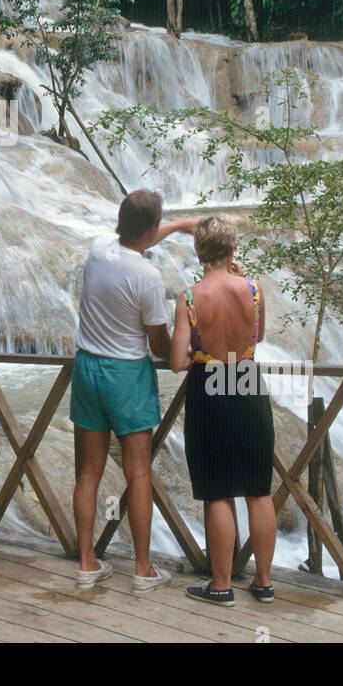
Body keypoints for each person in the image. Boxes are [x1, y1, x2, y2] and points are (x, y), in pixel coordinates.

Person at [70, 189, 198, 593]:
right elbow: (159, 346)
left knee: (88, 471)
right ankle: (142, 569)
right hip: (127, 375)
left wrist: (177, 225)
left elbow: (136, 239)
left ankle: (88, 563)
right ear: (150, 230)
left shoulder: (98, 248)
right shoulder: (148, 277)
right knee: (138, 472)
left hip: (87, 368)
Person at [170, 215, 276, 606]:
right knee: (258, 490)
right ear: (232, 251)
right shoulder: (253, 289)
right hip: (245, 380)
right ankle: (263, 582)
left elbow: (179, 363)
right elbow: (257, 337)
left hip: (210, 383)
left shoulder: (190, 298)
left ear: (199, 253)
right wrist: (244, 276)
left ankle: (222, 585)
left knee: (217, 491)